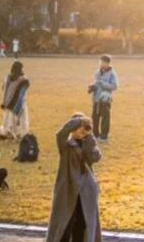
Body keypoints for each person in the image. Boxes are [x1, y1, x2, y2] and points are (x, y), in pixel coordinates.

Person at [46, 114, 102, 242]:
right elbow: (60, 134)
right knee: (64, 225)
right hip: (67, 189)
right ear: (72, 128)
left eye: (85, 127)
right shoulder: (66, 146)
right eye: (78, 127)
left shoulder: (88, 144)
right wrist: (79, 121)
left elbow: (95, 157)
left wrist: (90, 136)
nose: (81, 130)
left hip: (86, 192)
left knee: (82, 225)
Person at [0, 60, 30, 140]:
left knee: (13, 121)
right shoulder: (20, 80)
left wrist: (4, 102)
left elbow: (5, 90)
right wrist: (6, 102)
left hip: (13, 103)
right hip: (13, 104)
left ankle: (15, 133)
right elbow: (6, 90)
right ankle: (15, 134)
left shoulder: (21, 80)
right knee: (15, 121)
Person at [88, 55, 117, 142]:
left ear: (108, 63)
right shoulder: (97, 72)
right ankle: (95, 134)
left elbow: (114, 86)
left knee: (105, 118)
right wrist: (92, 87)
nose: (101, 64)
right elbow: (97, 83)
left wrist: (103, 84)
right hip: (96, 99)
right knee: (94, 117)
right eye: (100, 62)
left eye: (104, 62)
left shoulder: (112, 74)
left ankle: (104, 136)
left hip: (105, 99)